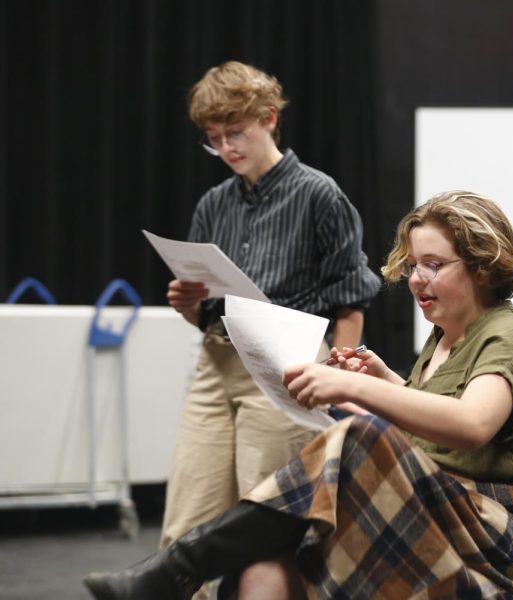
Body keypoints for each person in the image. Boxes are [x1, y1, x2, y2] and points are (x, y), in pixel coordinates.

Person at [83, 191, 513, 599]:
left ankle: (176, 570)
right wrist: (382, 384)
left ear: (482, 267)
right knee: (265, 570)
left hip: (494, 539)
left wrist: (356, 387)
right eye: (414, 265)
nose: (416, 278)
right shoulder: (443, 336)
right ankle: (180, 571)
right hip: (436, 513)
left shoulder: (509, 335)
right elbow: (433, 424)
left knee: (357, 436)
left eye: (434, 265)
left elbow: (471, 425)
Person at [160, 60, 381, 598]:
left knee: (263, 523)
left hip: (286, 366)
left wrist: (338, 376)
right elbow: (206, 311)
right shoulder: (214, 204)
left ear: (269, 117)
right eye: (214, 140)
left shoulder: (318, 195)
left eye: (235, 132)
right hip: (217, 364)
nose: (227, 147)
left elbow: (350, 300)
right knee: (183, 527)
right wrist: (188, 303)